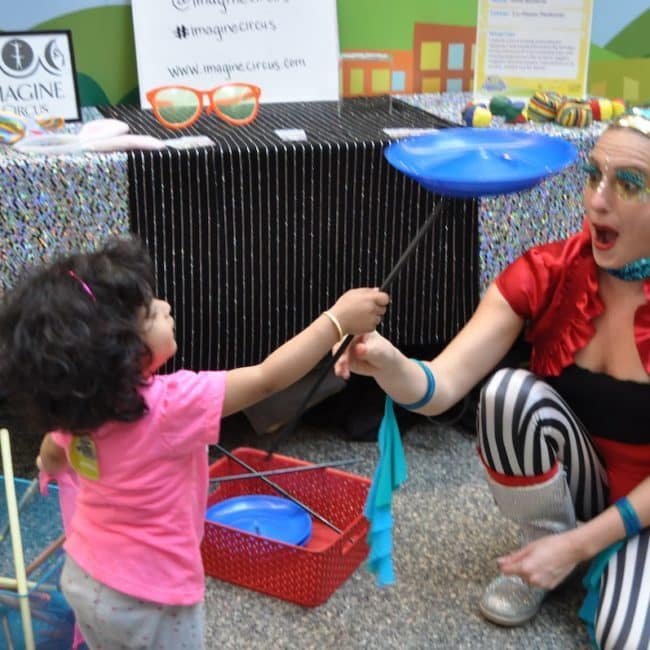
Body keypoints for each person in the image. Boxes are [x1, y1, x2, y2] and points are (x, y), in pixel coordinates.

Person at [335, 113, 650, 648]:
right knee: (507, 395)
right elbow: (442, 387)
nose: (597, 201)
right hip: (585, 479)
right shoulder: (549, 271)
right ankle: (541, 546)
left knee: (627, 638)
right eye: (593, 175)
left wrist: (582, 545)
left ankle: (574, 552)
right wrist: (387, 362)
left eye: (629, 184)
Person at [0, 236, 389, 649]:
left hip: (83, 577)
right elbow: (267, 378)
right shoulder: (170, 405)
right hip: (153, 598)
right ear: (121, 352)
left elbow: (50, 453)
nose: (166, 306)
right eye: (151, 312)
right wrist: (337, 320)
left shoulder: (76, 405)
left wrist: (51, 467)